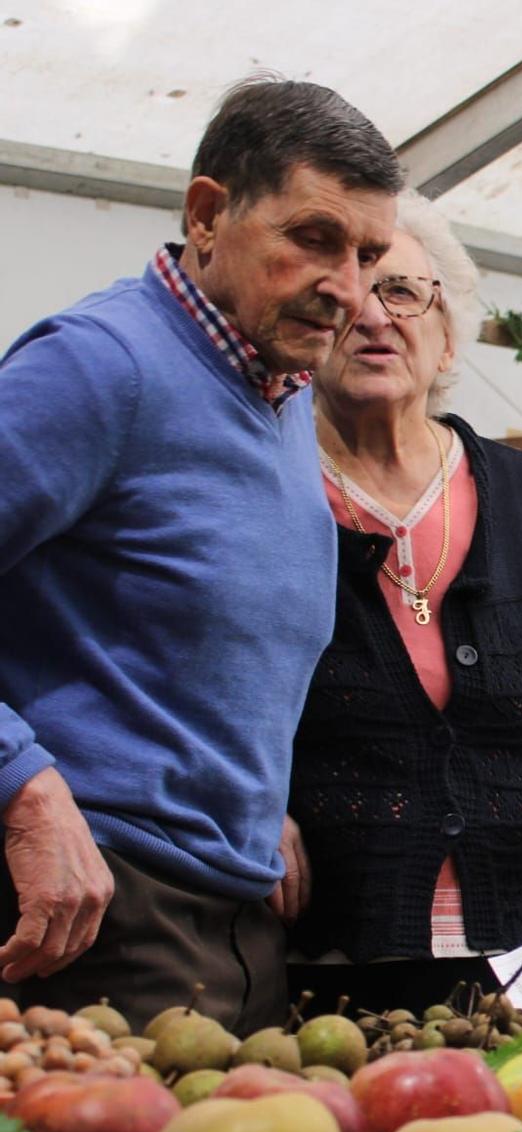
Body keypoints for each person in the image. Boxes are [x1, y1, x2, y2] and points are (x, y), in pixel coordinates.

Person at [0, 79, 402, 1030]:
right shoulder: (100, 367)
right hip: (98, 904)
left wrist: (253, 801)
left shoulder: (281, 385)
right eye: (314, 238)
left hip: (236, 909)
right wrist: (23, 787)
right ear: (208, 214)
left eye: (368, 255)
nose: (348, 288)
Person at [283, 192, 522, 1015]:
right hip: (332, 959)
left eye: (402, 290)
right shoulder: (269, 481)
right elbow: (205, 684)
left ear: (447, 340)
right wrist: (251, 804)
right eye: (352, 291)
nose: (375, 315)